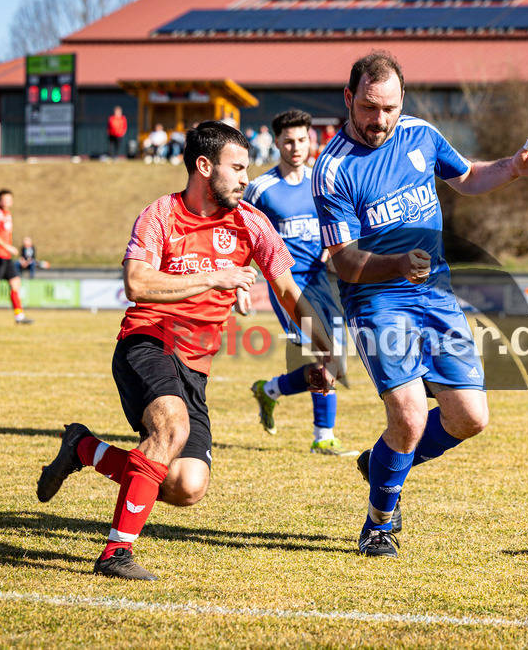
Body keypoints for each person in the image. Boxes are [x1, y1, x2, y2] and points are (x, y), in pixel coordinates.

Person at [36, 121, 336, 581]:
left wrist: (326, 348)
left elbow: (290, 292)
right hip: (147, 340)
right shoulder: (161, 215)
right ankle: (116, 552)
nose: (245, 178)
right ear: (203, 166)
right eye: (236, 168)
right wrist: (213, 278)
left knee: (186, 486)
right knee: (171, 428)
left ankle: (83, 448)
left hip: (196, 367)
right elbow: (136, 282)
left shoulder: (251, 222)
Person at [311, 50, 528, 558]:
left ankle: (381, 463)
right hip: (378, 300)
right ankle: (380, 523)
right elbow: (345, 262)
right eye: (368, 107)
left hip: (436, 293)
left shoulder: (420, 135)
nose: (379, 120)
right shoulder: (332, 170)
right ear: (348, 99)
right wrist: (400, 264)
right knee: (409, 417)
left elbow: (467, 177)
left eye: (389, 108)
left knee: (470, 417)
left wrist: (513, 167)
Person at [242, 109, 354, 457]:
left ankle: (271, 389)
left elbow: (340, 222)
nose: (295, 147)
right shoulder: (261, 189)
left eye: (302, 140)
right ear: (276, 142)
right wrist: (240, 283)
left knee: (335, 362)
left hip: (323, 282)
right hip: (287, 285)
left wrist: (332, 250)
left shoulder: (323, 183)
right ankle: (323, 437)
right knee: (327, 357)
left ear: (312, 141)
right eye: (288, 141)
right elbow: (242, 235)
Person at [0, 189, 32, 325]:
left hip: (6, 256)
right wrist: (7, 246)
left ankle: (19, 316)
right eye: (3, 199)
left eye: (8, 200)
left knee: (15, 283)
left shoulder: (7, 214)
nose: (5, 202)